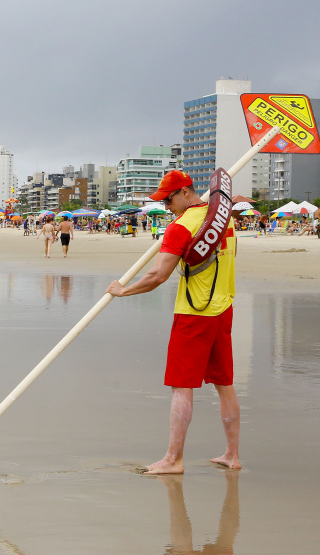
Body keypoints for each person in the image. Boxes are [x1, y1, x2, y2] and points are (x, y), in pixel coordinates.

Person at [106, 170, 240, 474]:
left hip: (193, 314)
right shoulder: (224, 220)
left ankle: (173, 459)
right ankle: (232, 455)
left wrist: (123, 290)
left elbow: (157, 276)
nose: (166, 207)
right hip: (223, 310)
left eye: (168, 200)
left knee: (182, 386)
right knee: (224, 384)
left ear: (183, 193)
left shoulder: (181, 227)